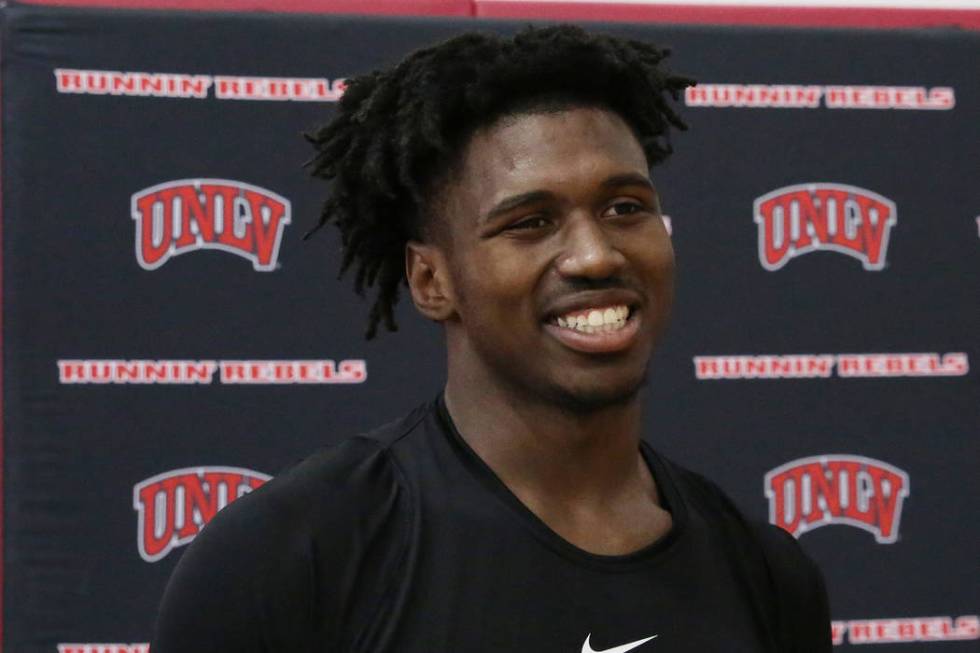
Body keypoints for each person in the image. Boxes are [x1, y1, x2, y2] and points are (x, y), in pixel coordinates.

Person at [151, 25, 831, 652]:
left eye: (626, 208)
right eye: (531, 221)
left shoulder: (766, 573)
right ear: (431, 279)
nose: (595, 255)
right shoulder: (293, 556)